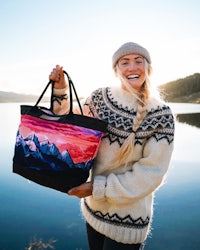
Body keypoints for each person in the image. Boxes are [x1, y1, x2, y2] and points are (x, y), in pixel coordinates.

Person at [49, 42, 175, 250]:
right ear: (116, 70)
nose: (132, 67)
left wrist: (97, 187)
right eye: (124, 62)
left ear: (148, 68)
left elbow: (152, 173)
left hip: (128, 222)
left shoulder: (160, 114)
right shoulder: (100, 98)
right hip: (93, 211)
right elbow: (69, 124)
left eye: (138, 61)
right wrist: (60, 88)